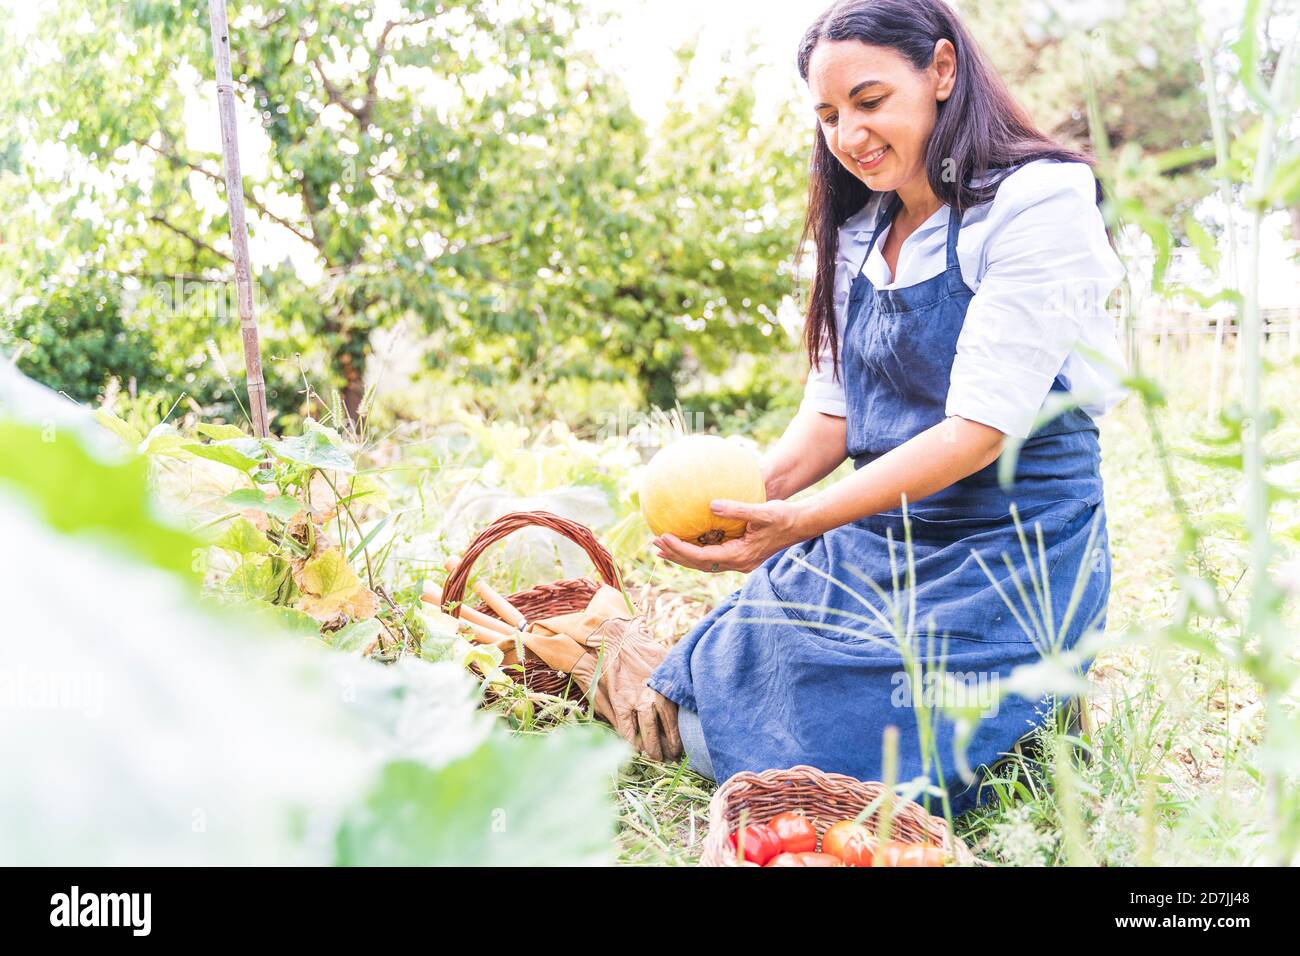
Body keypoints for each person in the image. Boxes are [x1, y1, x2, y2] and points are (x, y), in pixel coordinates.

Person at [646, 0, 1125, 815]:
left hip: (1009, 547)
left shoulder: (1037, 202)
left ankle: (1035, 718)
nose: (848, 136)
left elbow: (979, 432)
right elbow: (834, 412)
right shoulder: (862, 230)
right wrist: (747, 502)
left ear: (941, 71)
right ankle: (1011, 719)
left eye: (869, 102)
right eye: (828, 115)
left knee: (867, 765)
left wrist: (806, 522)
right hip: (886, 531)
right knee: (706, 692)